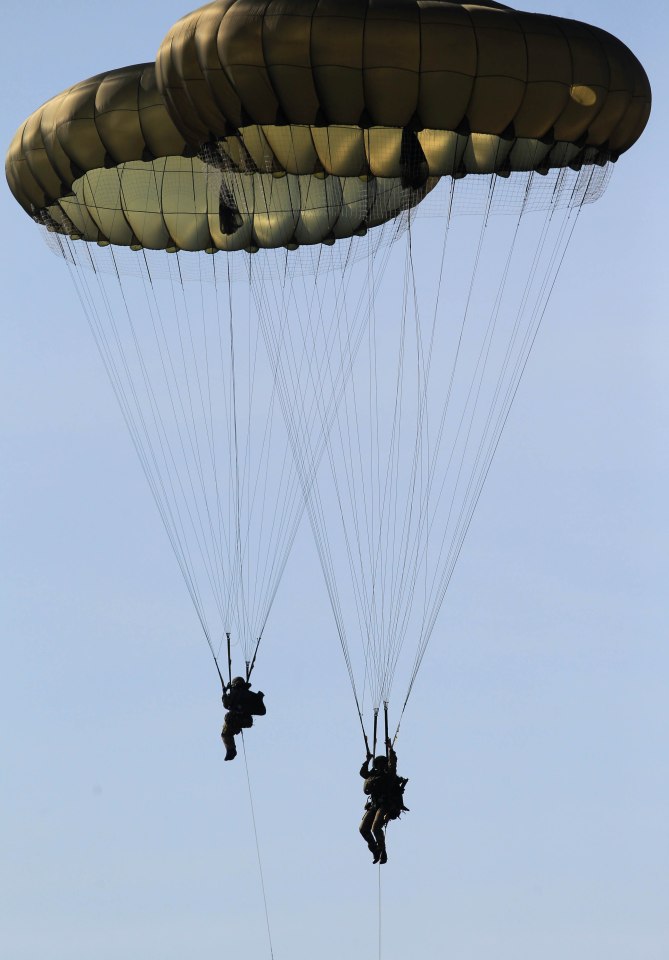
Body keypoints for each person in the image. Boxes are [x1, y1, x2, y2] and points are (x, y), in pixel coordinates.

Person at [359, 740, 409, 864]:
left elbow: (393, 764)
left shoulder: (389, 775)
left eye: (382, 764)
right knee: (363, 829)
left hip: (386, 805)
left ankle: (382, 852)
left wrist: (391, 750)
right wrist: (368, 760)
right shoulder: (373, 775)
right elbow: (363, 773)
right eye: (378, 764)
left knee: (376, 827)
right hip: (375, 805)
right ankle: (375, 850)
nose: (380, 766)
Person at [220, 676, 266, 761]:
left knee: (225, 734)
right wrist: (260, 700)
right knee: (231, 724)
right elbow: (262, 712)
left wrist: (224, 693)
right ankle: (232, 746)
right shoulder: (252, 695)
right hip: (246, 721)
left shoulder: (234, 695)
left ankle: (231, 751)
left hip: (233, 720)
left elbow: (226, 704)